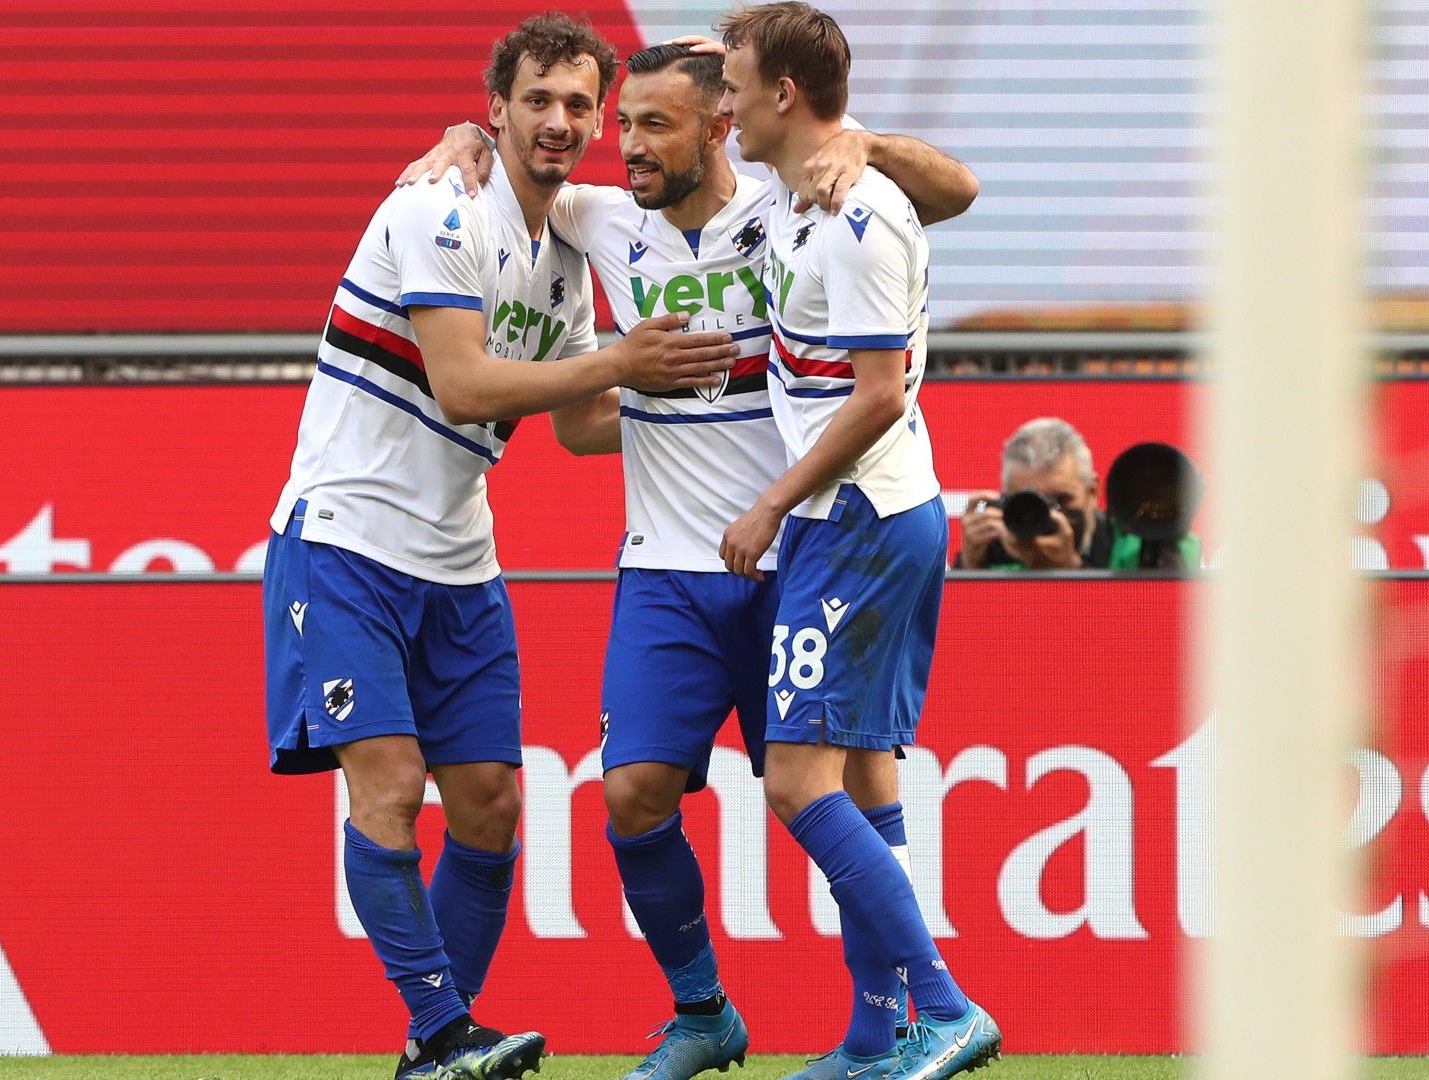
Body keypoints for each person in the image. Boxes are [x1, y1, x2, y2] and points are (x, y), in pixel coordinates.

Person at [397, 39, 979, 1080]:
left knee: (847, 782)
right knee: (632, 796)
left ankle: (890, 1025)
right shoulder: (601, 220)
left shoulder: (792, 202)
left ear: (720, 126)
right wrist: (458, 137)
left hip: (791, 548)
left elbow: (957, 191)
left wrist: (867, 141)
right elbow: (579, 423)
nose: (623, 147)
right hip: (667, 565)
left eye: (650, 124)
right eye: (620, 125)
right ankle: (704, 1010)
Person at [260, 15, 739, 1080]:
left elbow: (577, 427)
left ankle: (448, 1046)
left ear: (602, 119)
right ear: (496, 109)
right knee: (388, 786)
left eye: (579, 105)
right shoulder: (436, 207)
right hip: (347, 540)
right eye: (537, 101)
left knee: (490, 805)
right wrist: (624, 361)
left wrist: (734, 400)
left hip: (462, 563)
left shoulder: (563, 255)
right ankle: (440, 1035)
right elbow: (467, 386)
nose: (558, 122)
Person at [715, 5, 1001, 1079]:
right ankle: (875, 1038)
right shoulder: (803, 192)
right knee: (869, 784)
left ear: (784, 95)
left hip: (858, 519)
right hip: (869, 518)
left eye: (737, 85)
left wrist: (771, 506)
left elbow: (881, 396)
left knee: (796, 781)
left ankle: (945, 1007)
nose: (725, 105)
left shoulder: (858, 213)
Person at [957, 417, 1105, 571]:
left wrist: (1070, 569)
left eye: (1060, 500)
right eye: (1029, 503)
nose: (1047, 514)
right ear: (1005, 499)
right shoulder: (993, 548)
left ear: (1092, 492)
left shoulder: (1127, 547)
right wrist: (968, 567)